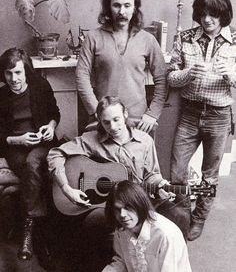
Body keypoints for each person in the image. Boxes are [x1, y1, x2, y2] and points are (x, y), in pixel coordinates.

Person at [47, 96, 190, 271]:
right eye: (106, 122)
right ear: (100, 121)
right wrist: (67, 188)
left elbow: (152, 175)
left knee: (179, 215)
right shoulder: (91, 139)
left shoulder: (145, 141)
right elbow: (55, 154)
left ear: (125, 114)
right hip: (110, 204)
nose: (112, 127)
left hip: (139, 200)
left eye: (116, 120)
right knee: (94, 222)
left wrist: (161, 185)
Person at [167, 0, 236, 241]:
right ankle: (184, 214)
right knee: (176, 171)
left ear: (223, 14)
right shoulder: (185, 37)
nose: (207, 19)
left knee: (209, 175)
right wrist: (186, 74)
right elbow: (171, 77)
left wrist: (230, 74)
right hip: (189, 113)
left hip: (219, 116)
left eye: (214, 14)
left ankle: (199, 219)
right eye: (203, 13)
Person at [76, 0, 167, 134]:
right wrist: (96, 112)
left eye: (127, 5)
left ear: (135, 7)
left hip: (139, 122)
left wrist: (152, 114)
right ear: (108, 7)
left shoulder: (147, 40)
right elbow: (81, 76)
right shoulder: (93, 38)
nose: (122, 12)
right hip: (105, 122)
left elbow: (162, 79)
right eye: (116, 5)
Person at [0, 48, 60, 261]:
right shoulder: (1, 96)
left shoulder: (40, 86)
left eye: (18, 73)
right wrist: (17, 140)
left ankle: (28, 226)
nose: (13, 79)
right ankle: (35, 227)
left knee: (34, 161)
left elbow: (55, 114)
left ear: (26, 71)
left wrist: (51, 127)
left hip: (41, 144)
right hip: (14, 147)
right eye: (8, 73)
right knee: (30, 166)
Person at [102, 180, 192, 272]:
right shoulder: (122, 230)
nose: (122, 214)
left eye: (127, 207)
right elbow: (121, 262)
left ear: (139, 205)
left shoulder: (166, 235)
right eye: (117, 209)